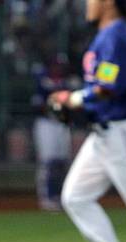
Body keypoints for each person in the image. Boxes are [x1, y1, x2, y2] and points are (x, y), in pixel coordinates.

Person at [48, 0, 126, 242]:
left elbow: (107, 87)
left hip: (123, 133)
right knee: (76, 197)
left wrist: (72, 98)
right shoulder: (121, 34)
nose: (87, 3)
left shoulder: (114, 36)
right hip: (105, 135)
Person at [31, 56, 79, 212]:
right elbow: (39, 106)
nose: (59, 69)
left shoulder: (68, 83)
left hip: (62, 124)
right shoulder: (43, 82)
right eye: (56, 66)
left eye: (61, 66)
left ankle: (59, 195)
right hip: (47, 124)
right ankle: (46, 196)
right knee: (48, 162)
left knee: (62, 162)